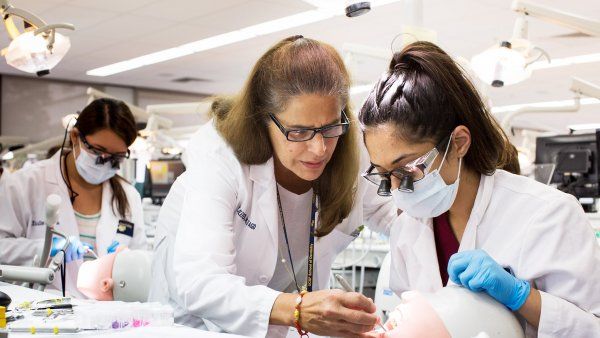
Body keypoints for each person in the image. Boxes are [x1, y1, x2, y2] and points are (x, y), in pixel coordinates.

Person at [149, 35, 398, 337]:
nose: (319, 148)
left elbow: (397, 216)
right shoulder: (220, 155)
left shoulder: (349, 144)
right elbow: (200, 282)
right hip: (193, 323)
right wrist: (298, 310)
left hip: (281, 321)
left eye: (330, 127)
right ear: (262, 120)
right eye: (299, 131)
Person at [358, 41, 600, 337]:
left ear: (459, 143)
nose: (397, 189)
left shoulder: (549, 214)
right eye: (384, 175)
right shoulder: (406, 230)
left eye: (407, 169)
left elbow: (592, 328)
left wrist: (522, 298)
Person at [0, 98, 147, 298]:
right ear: (76, 137)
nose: (105, 163)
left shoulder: (129, 196)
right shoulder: (25, 184)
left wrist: (127, 261)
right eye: (98, 152)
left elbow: (143, 262)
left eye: (116, 158)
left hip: (106, 317)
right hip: (39, 311)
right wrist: (45, 248)